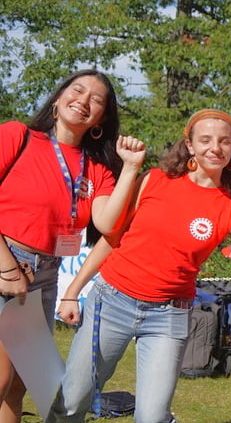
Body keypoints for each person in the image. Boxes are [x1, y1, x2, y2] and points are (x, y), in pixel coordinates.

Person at [50, 109, 231, 423]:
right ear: (189, 145)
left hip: (169, 317)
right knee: (72, 400)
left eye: (225, 141)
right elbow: (112, 238)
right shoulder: (153, 180)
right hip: (112, 302)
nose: (215, 147)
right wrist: (72, 291)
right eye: (206, 139)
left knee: (152, 416)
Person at [0, 69, 145, 423]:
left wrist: (129, 169)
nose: (83, 101)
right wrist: (6, 267)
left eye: (96, 100)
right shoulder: (17, 135)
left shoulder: (97, 168)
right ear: (58, 98)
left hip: (44, 275)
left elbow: (108, 224)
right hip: (6, 261)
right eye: (77, 90)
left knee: (20, 385)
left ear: (101, 119)